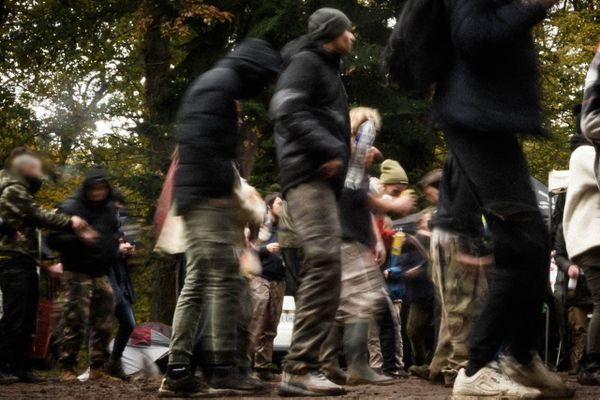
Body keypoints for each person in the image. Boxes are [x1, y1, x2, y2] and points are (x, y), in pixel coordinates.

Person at [425, 0, 573, 397]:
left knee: (533, 241)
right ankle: (476, 370)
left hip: (487, 120)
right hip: (474, 120)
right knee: (521, 241)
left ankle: (520, 356)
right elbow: (475, 37)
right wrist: (533, 6)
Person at [160, 38, 281, 398]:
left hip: (198, 196)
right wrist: (220, 193)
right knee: (222, 282)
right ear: (254, 69)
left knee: (198, 283)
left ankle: (179, 370)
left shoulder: (213, 83)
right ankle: (222, 369)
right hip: (209, 198)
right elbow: (203, 143)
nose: (263, 87)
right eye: (265, 78)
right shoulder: (221, 86)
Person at [270, 7, 354, 396]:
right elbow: (285, 109)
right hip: (307, 178)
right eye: (346, 30)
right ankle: (299, 367)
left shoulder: (326, 68)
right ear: (330, 33)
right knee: (323, 265)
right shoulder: (306, 63)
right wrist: (329, 150)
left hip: (318, 180)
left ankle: (307, 365)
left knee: (326, 269)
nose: (352, 35)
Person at [319, 107, 415, 387]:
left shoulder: (350, 159)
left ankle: (327, 364)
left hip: (346, 238)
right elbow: (357, 195)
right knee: (365, 299)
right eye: (369, 136)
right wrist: (393, 205)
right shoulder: (348, 158)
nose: (372, 145)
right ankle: (358, 365)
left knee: (341, 306)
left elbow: (359, 196)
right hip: (347, 240)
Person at [0, 148, 92, 384]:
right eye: (35, 168)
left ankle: (20, 366)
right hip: (13, 259)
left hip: (25, 259)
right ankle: (3, 366)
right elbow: (37, 215)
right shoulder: (13, 190)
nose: (40, 173)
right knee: (15, 315)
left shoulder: (19, 190)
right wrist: (70, 221)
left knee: (29, 316)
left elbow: (33, 218)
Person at [48, 166, 120, 381]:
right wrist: (78, 238)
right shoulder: (70, 207)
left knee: (105, 319)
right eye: (94, 189)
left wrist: (117, 249)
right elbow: (52, 239)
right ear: (86, 188)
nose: (98, 193)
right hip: (77, 271)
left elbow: (110, 235)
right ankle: (67, 367)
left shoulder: (108, 209)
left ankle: (98, 367)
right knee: (75, 319)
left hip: (101, 272)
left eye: (102, 188)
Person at [427, 153, 491, 387]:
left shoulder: (462, 145)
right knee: (464, 306)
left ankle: (441, 365)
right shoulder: (471, 148)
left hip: (451, 233)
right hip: (457, 234)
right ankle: (459, 369)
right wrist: (470, 247)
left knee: (454, 305)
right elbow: (465, 198)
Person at [250, 193, 286, 382]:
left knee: (271, 325)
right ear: (270, 206)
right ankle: (242, 366)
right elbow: (245, 248)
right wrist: (265, 249)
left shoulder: (285, 227)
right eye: (279, 203)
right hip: (259, 278)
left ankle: (262, 368)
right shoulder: (259, 226)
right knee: (256, 321)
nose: (282, 206)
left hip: (279, 280)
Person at [105, 188, 137, 380]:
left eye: (119, 208)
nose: (117, 212)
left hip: (121, 281)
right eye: (114, 207)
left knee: (128, 323)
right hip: (103, 280)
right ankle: (97, 366)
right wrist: (117, 250)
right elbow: (98, 252)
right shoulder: (98, 224)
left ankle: (114, 361)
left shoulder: (120, 229)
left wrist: (128, 252)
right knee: (99, 325)